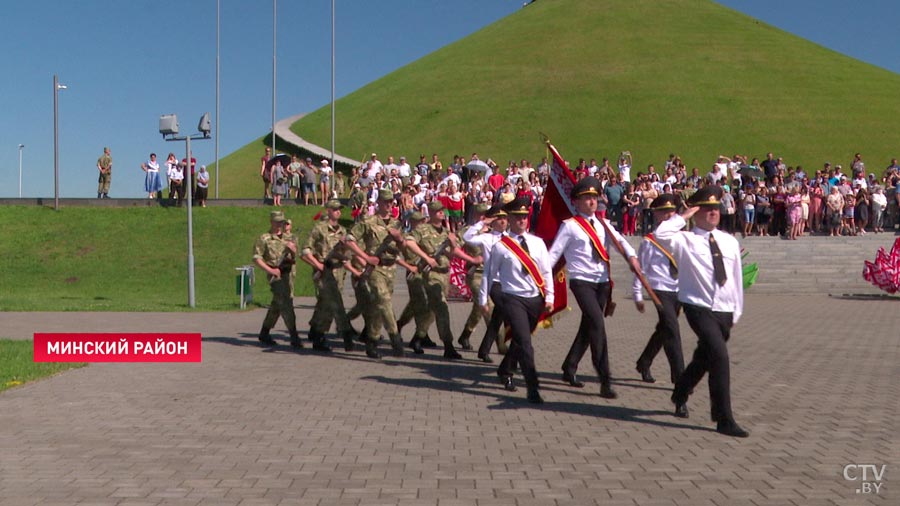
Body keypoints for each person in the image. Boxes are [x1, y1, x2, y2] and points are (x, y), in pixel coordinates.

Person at [654, 185, 748, 438]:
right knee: (719, 356)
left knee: (705, 357)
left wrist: (737, 310)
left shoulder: (728, 241)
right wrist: (682, 217)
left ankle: (681, 389)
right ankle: (723, 418)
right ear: (696, 211)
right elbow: (660, 234)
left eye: (715, 208)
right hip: (698, 306)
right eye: (706, 209)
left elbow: (736, 277)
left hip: (725, 309)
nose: (712, 212)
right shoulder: (684, 239)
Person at [548, 176, 640, 399]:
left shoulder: (603, 223)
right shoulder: (570, 226)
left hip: (602, 283)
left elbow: (621, 242)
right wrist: (540, 280)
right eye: (586, 198)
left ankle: (569, 366)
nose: (591, 202)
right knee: (598, 325)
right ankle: (605, 380)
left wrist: (633, 256)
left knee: (589, 327)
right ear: (576, 202)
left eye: (593, 197)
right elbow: (553, 255)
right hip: (581, 282)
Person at [481, 197, 554, 404]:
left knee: (521, 342)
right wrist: (482, 298)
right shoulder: (501, 246)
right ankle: (533, 388)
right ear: (510, 219)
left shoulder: (537, 243)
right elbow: (488, 273)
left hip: (534, 299)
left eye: (525, 217)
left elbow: (546, 271)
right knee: (525, 342)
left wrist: (549, 296)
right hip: (512, 297)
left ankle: (505, 369)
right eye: (518, 217)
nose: (522, 220)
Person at [404, 201, 480, 358]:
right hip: (431, 274)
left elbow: (453, 254)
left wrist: (461, 253)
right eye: (438, 211)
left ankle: (418, 337)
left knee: (433, 310)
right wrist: (426, 257)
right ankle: (448, 345)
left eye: (442, 211)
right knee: (442, 308)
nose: (441, 213)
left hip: (445, 274)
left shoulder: (446, 232)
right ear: (431, 213)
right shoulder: (422, 229)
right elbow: (409, 242)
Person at [344, 189, 409, 359]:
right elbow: (349, 239)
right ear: (378, 202)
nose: (389, 205)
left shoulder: (397, 224)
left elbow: (404, 250)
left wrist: (400, 239)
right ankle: (396, 339)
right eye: (385, 202)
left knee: (378, 307)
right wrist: (365, 257)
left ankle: (371, 342)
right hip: (374, 270)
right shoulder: (368, 221)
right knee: (384, 300)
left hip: (391, 269)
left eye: (391, 202)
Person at [633, 194, 685, 385]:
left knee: (664, 329)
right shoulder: (650, 240)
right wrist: (637, 294)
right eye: (664, 212)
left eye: (672, 211)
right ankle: (680, 380)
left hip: (679, 289)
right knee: (672, 330)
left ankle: (644, 362)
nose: (669, 215)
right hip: (659, 290)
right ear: (656, 214)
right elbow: (641, 269)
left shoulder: (683, 238)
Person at [301, 199, 359, 352]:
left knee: (325, 303)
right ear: (328, 211)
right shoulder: (319, 229)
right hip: (324, 272)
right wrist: (318, 265)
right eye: (334, 209)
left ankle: (314, 329)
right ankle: (329, 335)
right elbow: (305, 251)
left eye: (339, 209)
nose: (338, 212)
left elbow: (346, 255)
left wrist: (346, 255)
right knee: (333, 304)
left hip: (338, 272)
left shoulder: (343, 231)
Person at [253, 210, 303, 348]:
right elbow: (257, 258)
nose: (279, 224)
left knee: (277, 304)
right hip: (275, 275)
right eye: (277, 221)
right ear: (271, 221)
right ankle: (294, 335)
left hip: (288, 274)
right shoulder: (265, 238)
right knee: (286, 303)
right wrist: (271, 270)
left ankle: (264, 332)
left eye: (281, 221)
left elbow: (294, 258)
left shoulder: (290, 238)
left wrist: (292, 250)